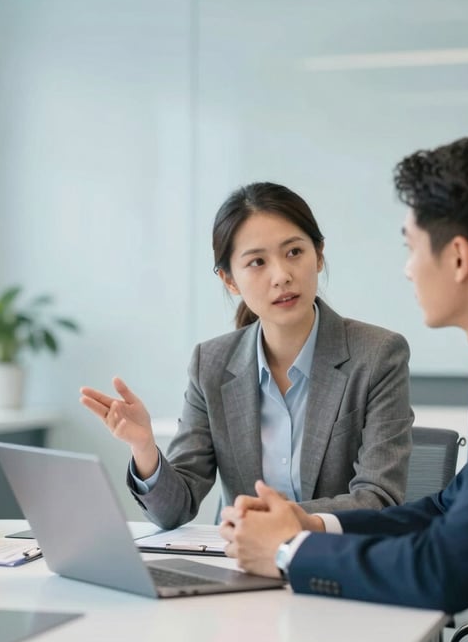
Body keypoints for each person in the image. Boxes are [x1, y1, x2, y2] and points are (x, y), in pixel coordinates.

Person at [221, 136, 468, 642]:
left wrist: (289, 553)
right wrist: (311, 525)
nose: (408, 270)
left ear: (458, 257)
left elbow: (446, 569)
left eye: (411, 247)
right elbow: (447, 508)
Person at [80, 182, 413, 530]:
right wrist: (144, 447)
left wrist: (283, 521)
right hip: (241, 569)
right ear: (229, 280)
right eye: (257, 262)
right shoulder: (211, 363)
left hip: (336, 563)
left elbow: (379, 498)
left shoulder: (377, 355)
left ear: (319, 254)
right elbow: (173, 511)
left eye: (295, 252)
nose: (282, 276)